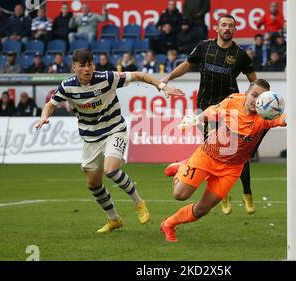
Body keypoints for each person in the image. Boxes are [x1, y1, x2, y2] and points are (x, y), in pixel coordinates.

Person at [35, 48, 185, 233]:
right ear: (74, 68)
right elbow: (50, 105)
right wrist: (44, 117)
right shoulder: (67, 86)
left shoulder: (107, 77)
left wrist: (163, 86)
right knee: (93, 184)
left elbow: (139, 75)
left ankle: (139, 202)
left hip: (115, 129)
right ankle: (114, 219)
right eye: (82, 66)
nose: (87, 69)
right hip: (90, 138)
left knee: (111, 169)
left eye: (90, 64)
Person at [160, 79, 287, 242]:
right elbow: (213, 111)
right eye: (254, 95)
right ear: (246, 93)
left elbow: (283, 119)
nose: (257, 101)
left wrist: (291, 118)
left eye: (262, 97)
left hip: (231, 169)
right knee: (179, 195)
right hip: (207, 156)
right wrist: (196, 119)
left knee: (202, 209)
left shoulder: (266, 116)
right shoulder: (233, 101)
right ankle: (182, 167)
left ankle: (168, 224)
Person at [161, 14, 258, 215]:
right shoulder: (204, 47)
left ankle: (247, 194)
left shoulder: (240, 55)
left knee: (238, 153)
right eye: (224, 25)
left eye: (231, 25)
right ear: (217, 27)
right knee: (214, 152)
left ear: (235, 29)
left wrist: (254, 99)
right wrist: (169, 77)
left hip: (232, 109)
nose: (227, 28)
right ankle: (223, 195)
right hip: (206, 108)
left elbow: (253, 79)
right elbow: (187, 64)